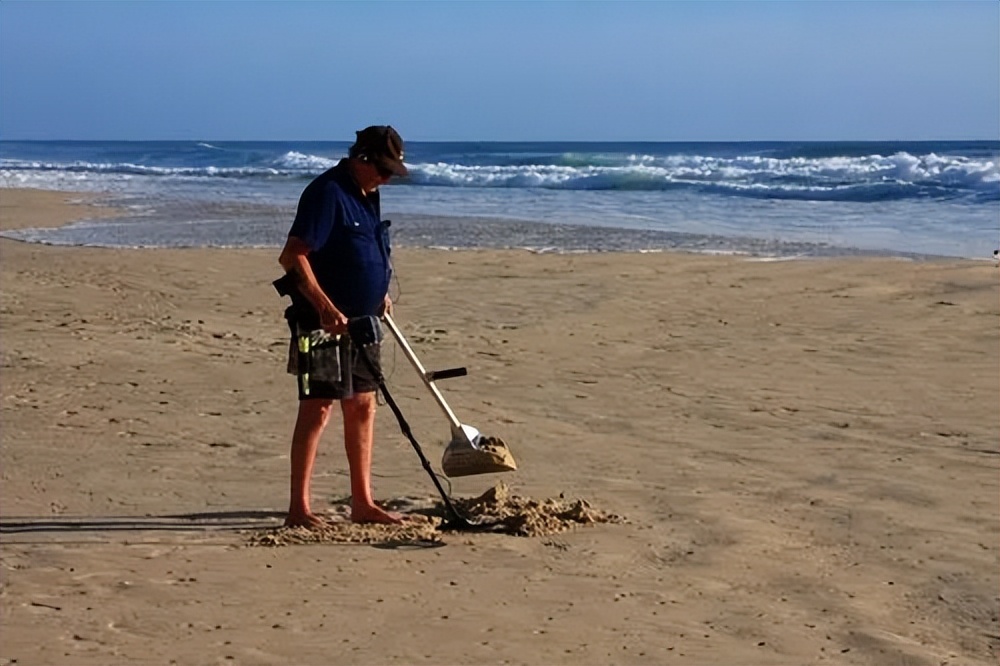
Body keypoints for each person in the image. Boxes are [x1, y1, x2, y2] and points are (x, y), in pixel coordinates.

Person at [277, 125, 408, 527]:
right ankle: (299, 508)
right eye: (382, 169)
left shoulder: (369, 195)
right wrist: (325, 306)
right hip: (321, 323)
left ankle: (363, 503)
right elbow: (292, 256)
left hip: (364, 321)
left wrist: (379, 292)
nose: (386, 178)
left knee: (363, 406)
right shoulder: (326, 193)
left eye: (391, 172)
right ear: (362, 158)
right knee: (317, 409)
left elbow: (367, 249)